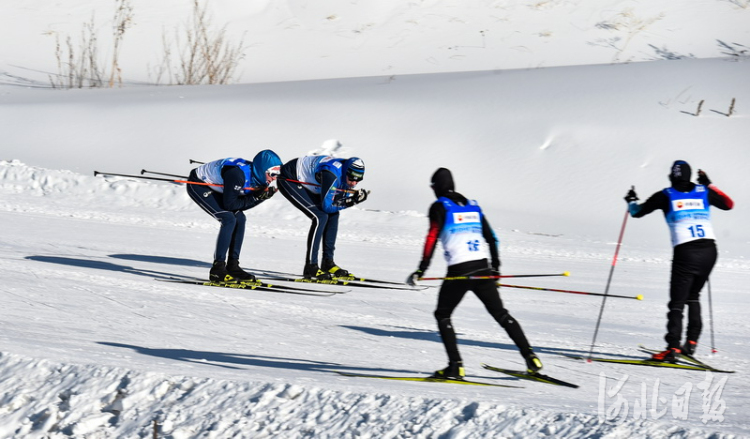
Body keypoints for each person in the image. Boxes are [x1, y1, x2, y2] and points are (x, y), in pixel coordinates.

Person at [407, 168, 542, 379]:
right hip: (483, 268)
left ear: (437, 187)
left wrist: (421, 269)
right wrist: (496, 268)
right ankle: (531, 357)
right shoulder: (473, 206)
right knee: (501, 314)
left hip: (459, 272)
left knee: (442, 314)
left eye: (433, 187)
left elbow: (432, 238)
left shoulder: (439, 207)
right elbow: (492, 238)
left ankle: (455, 366)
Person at [625, 160, 734, 362]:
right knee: (693, 295)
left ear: (671, 176)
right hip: (710, 250)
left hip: (686, 251)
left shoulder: (665, 195)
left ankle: (672, 348)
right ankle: (691, 343)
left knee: (677, 302)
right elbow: (729, 204)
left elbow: (637, 212)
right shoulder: (703, 191)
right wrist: (709, 184)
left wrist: (631, 200)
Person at [187, 150, 282, 283]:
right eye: (272, 174)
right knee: (228, 219)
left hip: (221, 187)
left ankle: (233, 266)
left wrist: (259, 196)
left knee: (240, 219)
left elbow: (242, 203)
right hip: (199, 184)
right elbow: (230, 205)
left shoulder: (261, 177)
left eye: (277, 174)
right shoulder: (237, 175)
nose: (273, 178)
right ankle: (217, 270)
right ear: (261, 170)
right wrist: (257, 197)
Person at [277, 155, 369, 280]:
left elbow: (336, 200)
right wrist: (351, 201)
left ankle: (327, 262)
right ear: (346, 171)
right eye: (352, 178)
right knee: (320, 217)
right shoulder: (331, 175)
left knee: (334, 214)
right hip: (290, 179)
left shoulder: (343, 173)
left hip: (308, 180)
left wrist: (350, 198)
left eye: (358, 180)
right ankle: (311, 266)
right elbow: (327, 206)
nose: (354, 183)